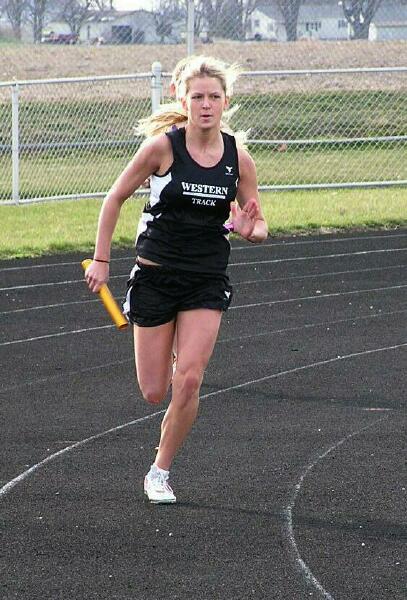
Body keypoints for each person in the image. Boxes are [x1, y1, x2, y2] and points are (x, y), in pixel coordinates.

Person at [84, 55, 268, 504]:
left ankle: (159, 471)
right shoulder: (162, 149)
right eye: (197, 96)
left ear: (226, 101)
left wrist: (251, 230)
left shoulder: (239, 159)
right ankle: (170, 357)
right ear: (182, 100)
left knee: (189, 380)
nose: (206, 105)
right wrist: (101, 260)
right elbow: (114, 198)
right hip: (156, 276)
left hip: (206, 279)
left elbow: (259, 223)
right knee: (154, 391)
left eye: (214, 97)